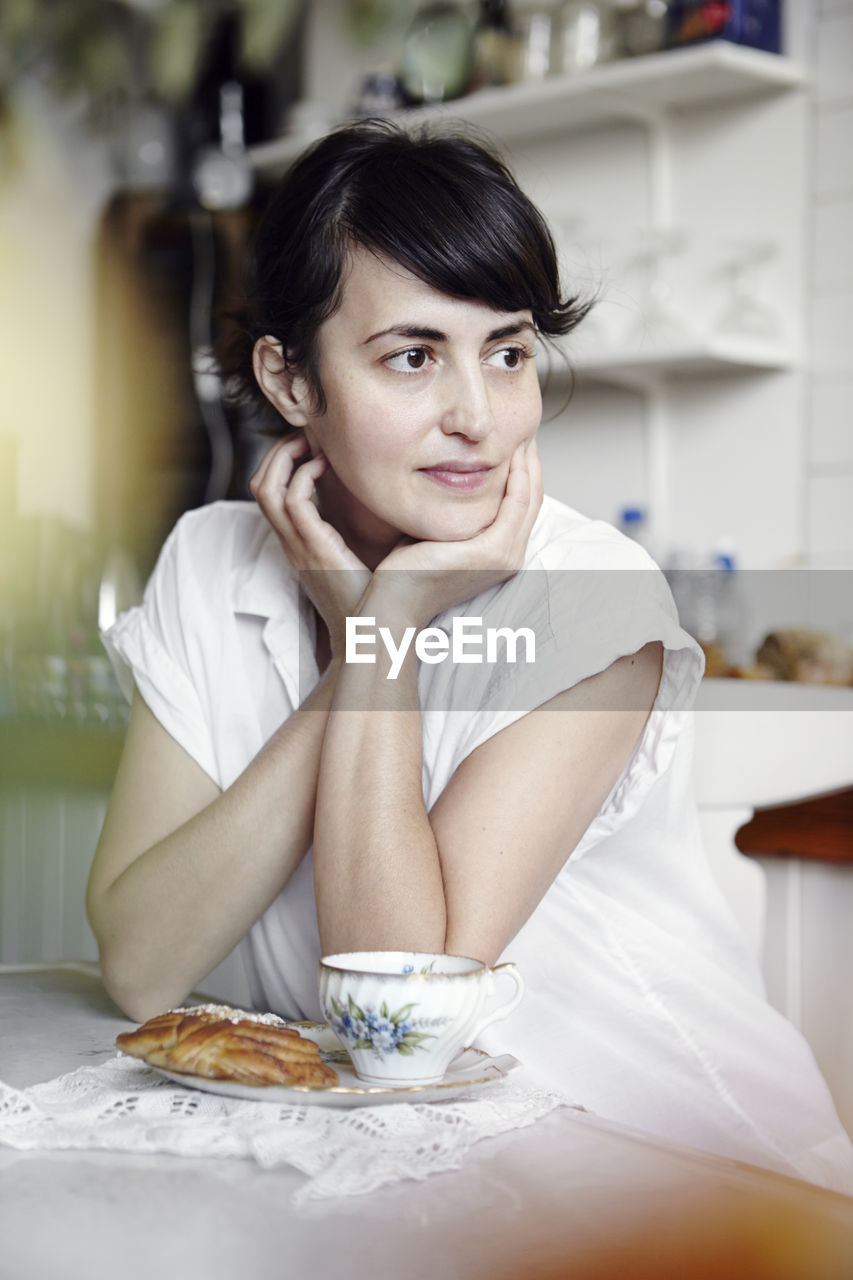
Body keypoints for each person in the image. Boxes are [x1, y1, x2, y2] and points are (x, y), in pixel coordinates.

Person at [86, 120, 853, 1193]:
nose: (478, 417)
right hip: (412, 1178)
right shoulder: (211, 562)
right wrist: (375, 637)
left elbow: (400, 1015)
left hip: (687, 1180)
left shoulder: (592, 597)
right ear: (290, 379)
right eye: (412, 356)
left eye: (507, 351)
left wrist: (380, 624)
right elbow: (139, 962)